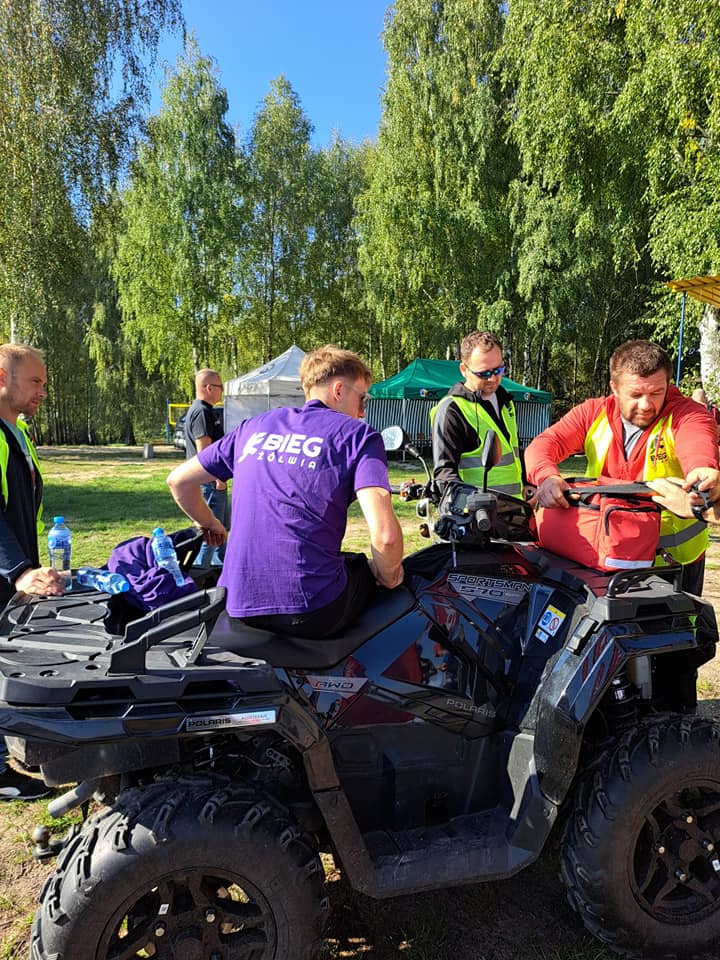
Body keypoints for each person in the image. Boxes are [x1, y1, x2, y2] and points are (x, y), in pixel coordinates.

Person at [167, 345, 404, 638]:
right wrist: (390, 577)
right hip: (310, 608)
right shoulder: (358, 436)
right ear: (339, 390)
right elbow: (386, 537)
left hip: (235, 601)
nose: (362, 411)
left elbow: (178, 481)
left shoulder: (253, 427)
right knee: (378, 578)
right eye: (362, 398)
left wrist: (210, 523)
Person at [526, 340, 720, 594]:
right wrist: (547, 477)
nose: (646, 405)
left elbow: (698, 443)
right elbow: (544, 445)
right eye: (636, 394)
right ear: (614, 388)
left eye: (656, 392)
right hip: (603, 560)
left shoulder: (688, 414)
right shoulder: (593, 413)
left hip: (672, 567)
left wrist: (702, 469)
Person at [0, 343, 62, 800]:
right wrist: (19, 568)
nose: (43, 391)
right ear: (2, 378)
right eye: (35, 381)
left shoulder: (17, 433)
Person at [431, 330, 523, 496]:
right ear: (463, 369)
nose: (492, 379)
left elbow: (514, 454)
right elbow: (445, 475)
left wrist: (528, 483)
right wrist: (475, 504)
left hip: (515, 506)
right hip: (476, 510)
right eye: (484, 374)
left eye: (498, 370)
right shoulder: (451, 410)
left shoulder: (506, 401)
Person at [184, 368, 228, 569]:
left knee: (220, 531)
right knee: (210, 534)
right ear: (209, 388)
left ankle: (218, 572)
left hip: (211, 481)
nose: (222, 391)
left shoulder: (204, 410)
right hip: (208, 483)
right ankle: (201, 574)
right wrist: (218, 478)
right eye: (220, 387)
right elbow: (205, 452)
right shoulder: (201, 411)